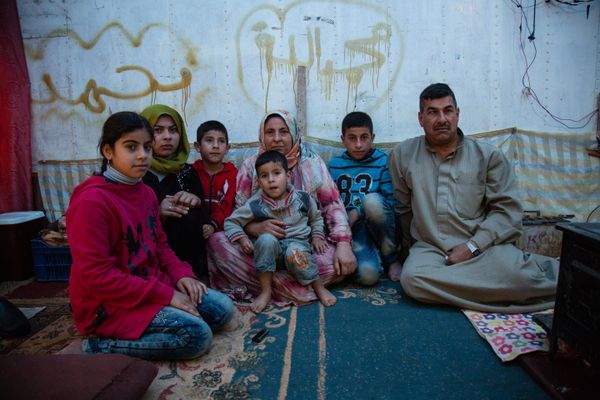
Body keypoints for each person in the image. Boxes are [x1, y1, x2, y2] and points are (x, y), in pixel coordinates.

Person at [66, 111, 234, 360]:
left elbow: (160, 246)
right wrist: (168, 295)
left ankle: (164, 312)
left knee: (222, 310)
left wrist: (182, 275)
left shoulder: (144, 192)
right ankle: (95, 346)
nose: (143, 155)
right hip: (110, 303)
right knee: (197, 336)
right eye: (131, 147)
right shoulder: (91, 201)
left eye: (146, 146)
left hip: (149, 285)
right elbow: (98, 277)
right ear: (108, 151)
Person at [388, 83, 558, 312]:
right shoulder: (402, 155)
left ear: (457, 114)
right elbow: (404, 209)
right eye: (433, 112)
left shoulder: (488, 156)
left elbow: (506, 212)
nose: (442, 119)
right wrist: (408, 252)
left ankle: (474, 286)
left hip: (482, 248)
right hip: (430, 250)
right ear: (421, 118)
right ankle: (498, 291)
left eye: (448, 111)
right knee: (412, 280)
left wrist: (471, 247)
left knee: (533, 278)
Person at [207, 109, 356, 306]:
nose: (277, 138)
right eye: (270, 132)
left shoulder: (312, 163)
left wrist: (343, 244)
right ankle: (295, 288)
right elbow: (238, 212)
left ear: (293, 134)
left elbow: (331, 206)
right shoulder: (251, 166)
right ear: (262, 135)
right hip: (262, 248)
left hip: (303, 245)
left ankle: (271, 286)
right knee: (216, 242)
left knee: (337, 262)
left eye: (283, 132)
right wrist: (255, 228)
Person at [225, 151, 336, 312]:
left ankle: (318, 287)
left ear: (288, 176)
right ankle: (266, 291)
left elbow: (316, 218)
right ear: (259, 182)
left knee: (295, 252)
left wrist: (318, 236)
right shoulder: (255, 204)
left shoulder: (303, 198)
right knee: (266, 240)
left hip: (298, 247)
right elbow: (231, 222)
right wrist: (242, 239)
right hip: (270, 253)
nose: (271, 180)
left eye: (276, 173)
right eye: (264, 176)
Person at [328, 111, 402, 285]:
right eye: (352, 138)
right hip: (353, 231)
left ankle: (391, 259)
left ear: (372, 138)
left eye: (364, 137)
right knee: (368, 276)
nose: (358, 144)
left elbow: (391, 202)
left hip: (379, 225)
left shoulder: (382, 162)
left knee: (372, 202)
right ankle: (370, 258)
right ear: (343, 139)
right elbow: (327, 202)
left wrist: (359, 210)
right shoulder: (334, 166)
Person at [140, 104, 210, 279]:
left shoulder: (187, 172)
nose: (167, 137)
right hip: (145, 266)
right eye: (158, 130)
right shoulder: (137, 173)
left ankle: (189, 278)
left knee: (189, 215)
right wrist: (157, 214)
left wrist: (196, 201)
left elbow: (204, 219)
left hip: (187, 266)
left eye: (173, 130)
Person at [192, 120, 237, 239]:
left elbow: (227, 205)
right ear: (197, 146)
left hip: (222, 229)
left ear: (227, 148)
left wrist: (213, 225)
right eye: (209, 140)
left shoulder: (232, 175)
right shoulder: (192, 172)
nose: (216, 146)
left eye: (221, 141)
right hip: (196, 228)